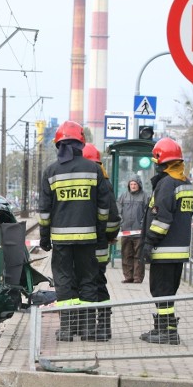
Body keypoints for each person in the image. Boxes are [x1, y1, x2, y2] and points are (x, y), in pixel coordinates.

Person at [38, 121, 111, 342]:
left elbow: (44, 211)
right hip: (88, 239)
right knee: (88, 282)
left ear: (59, 144)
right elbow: (104, 207)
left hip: (61, 241)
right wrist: (100, 234)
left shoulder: (51, 171)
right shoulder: (94, 169)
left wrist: (44, 237)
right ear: (81, 143)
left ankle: (68, 330)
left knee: (64, 283)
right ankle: (88, 329)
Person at [140, 138, 193, 345]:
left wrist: (148, 242)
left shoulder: (166, 184)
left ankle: (164, 332)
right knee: (169, 293)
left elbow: (163, 219)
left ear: (161, 161)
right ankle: (168, 330)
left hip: (163, 249)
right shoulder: (184, 182)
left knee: (160, 292)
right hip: (179, 250)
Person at [82, 143, 121, 341]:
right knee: (98, 284)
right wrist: (109, 235)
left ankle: (85, 326)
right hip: (100, 246)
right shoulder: (105, 181)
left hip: (85, 247)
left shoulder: (85, 181)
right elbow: (113, 218)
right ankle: (103, 326)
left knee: (86, 285)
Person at [117, 174, 148, 283]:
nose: (133, 186)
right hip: (125, 231)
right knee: (126, 254)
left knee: (138, 256)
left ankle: (137, 277)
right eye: (131, 184)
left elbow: (147, 212)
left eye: (135, 184)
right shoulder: (123, 196)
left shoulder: (144, 196)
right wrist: (121, 221)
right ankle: (128, 277)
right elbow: (118, 209)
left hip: (139, 232)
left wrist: (142, 224)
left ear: (139, 185)